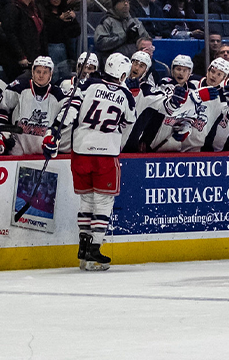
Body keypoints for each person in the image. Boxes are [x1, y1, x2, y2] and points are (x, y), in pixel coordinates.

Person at [57, 53, 136, 270]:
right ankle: (95, 249)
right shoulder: (126, 95)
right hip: (106, 154)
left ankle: (83, 246)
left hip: (81, 151)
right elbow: (130, 121)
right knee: (103, 202)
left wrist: (54, 132)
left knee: (86, 201)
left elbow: (69, 110)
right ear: (121, 74)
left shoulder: (88, 84)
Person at [0, 56, 67, 156]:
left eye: (45, 72)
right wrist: (1, 135)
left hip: (44, 154)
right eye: (38, 71)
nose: (41, 75)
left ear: (51, 73)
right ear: (32, 72)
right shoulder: (19, 88)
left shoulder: (59, 95)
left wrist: (55, 139)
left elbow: (70, 116)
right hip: (17, 151)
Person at [0, 0, 44, 81]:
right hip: (15, 59)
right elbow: (10, 34)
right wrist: (21, 56)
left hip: (32, 54)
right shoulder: (11, 8)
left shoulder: (34, 7)